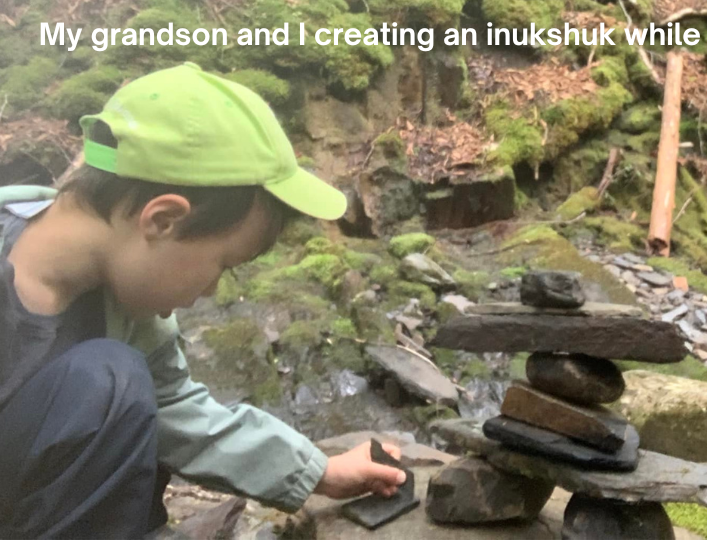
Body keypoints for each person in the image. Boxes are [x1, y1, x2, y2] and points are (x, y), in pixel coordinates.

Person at [0, 62, 407, 539]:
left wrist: (317, 472)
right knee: (111, 379)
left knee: (121, 386)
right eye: (223, 264)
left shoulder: (127, 307)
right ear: (163, 220)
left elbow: (176, 408)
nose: (213, 291)